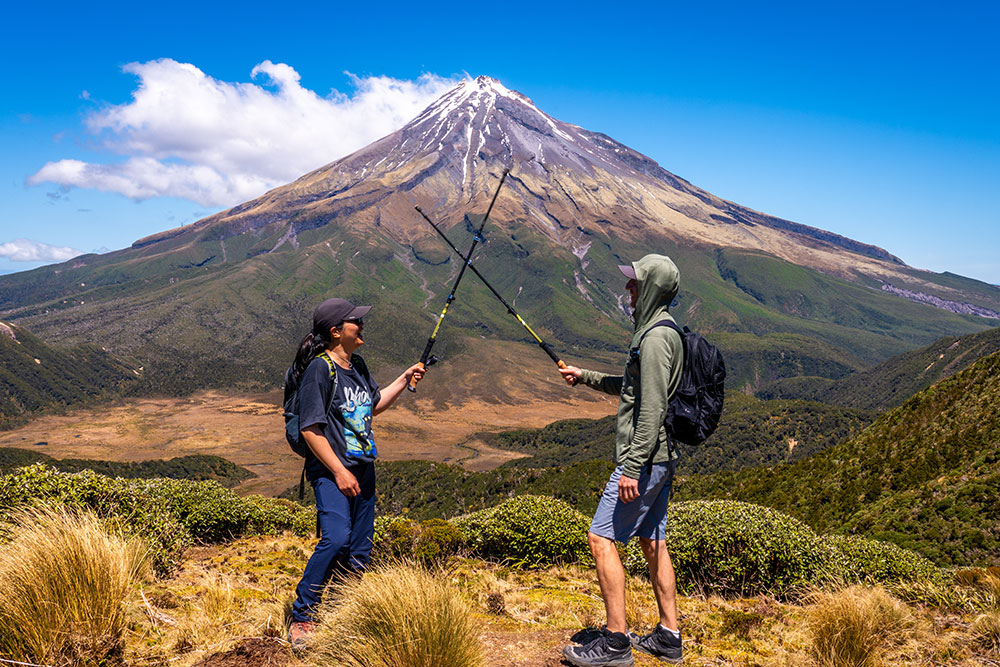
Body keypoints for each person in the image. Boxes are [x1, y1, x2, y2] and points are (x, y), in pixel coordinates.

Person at [559, 254, 685, 666]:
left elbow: (651, 408)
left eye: (635, 283)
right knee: (653, 541)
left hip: (644, 460)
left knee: (600, 538)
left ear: (650, 288)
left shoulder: (652, 340)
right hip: (662, 459)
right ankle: (669, 636)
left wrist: (631, 467)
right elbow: (633, 388)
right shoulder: (663, 332)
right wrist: (586, 376)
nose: (628, 289)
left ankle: (615, 643)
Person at [286, 297, 425, 649]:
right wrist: (338, 472)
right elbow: (310, 428)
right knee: (335, 538)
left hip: (364, 468)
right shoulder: (321, 369)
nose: (361, 326)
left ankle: (342, 610)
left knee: (359, 549)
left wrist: (405, 378)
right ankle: (302, 615)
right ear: (336, 331)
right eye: (355, 322)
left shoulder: (357, 365)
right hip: (332, 471)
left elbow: (372, 406)